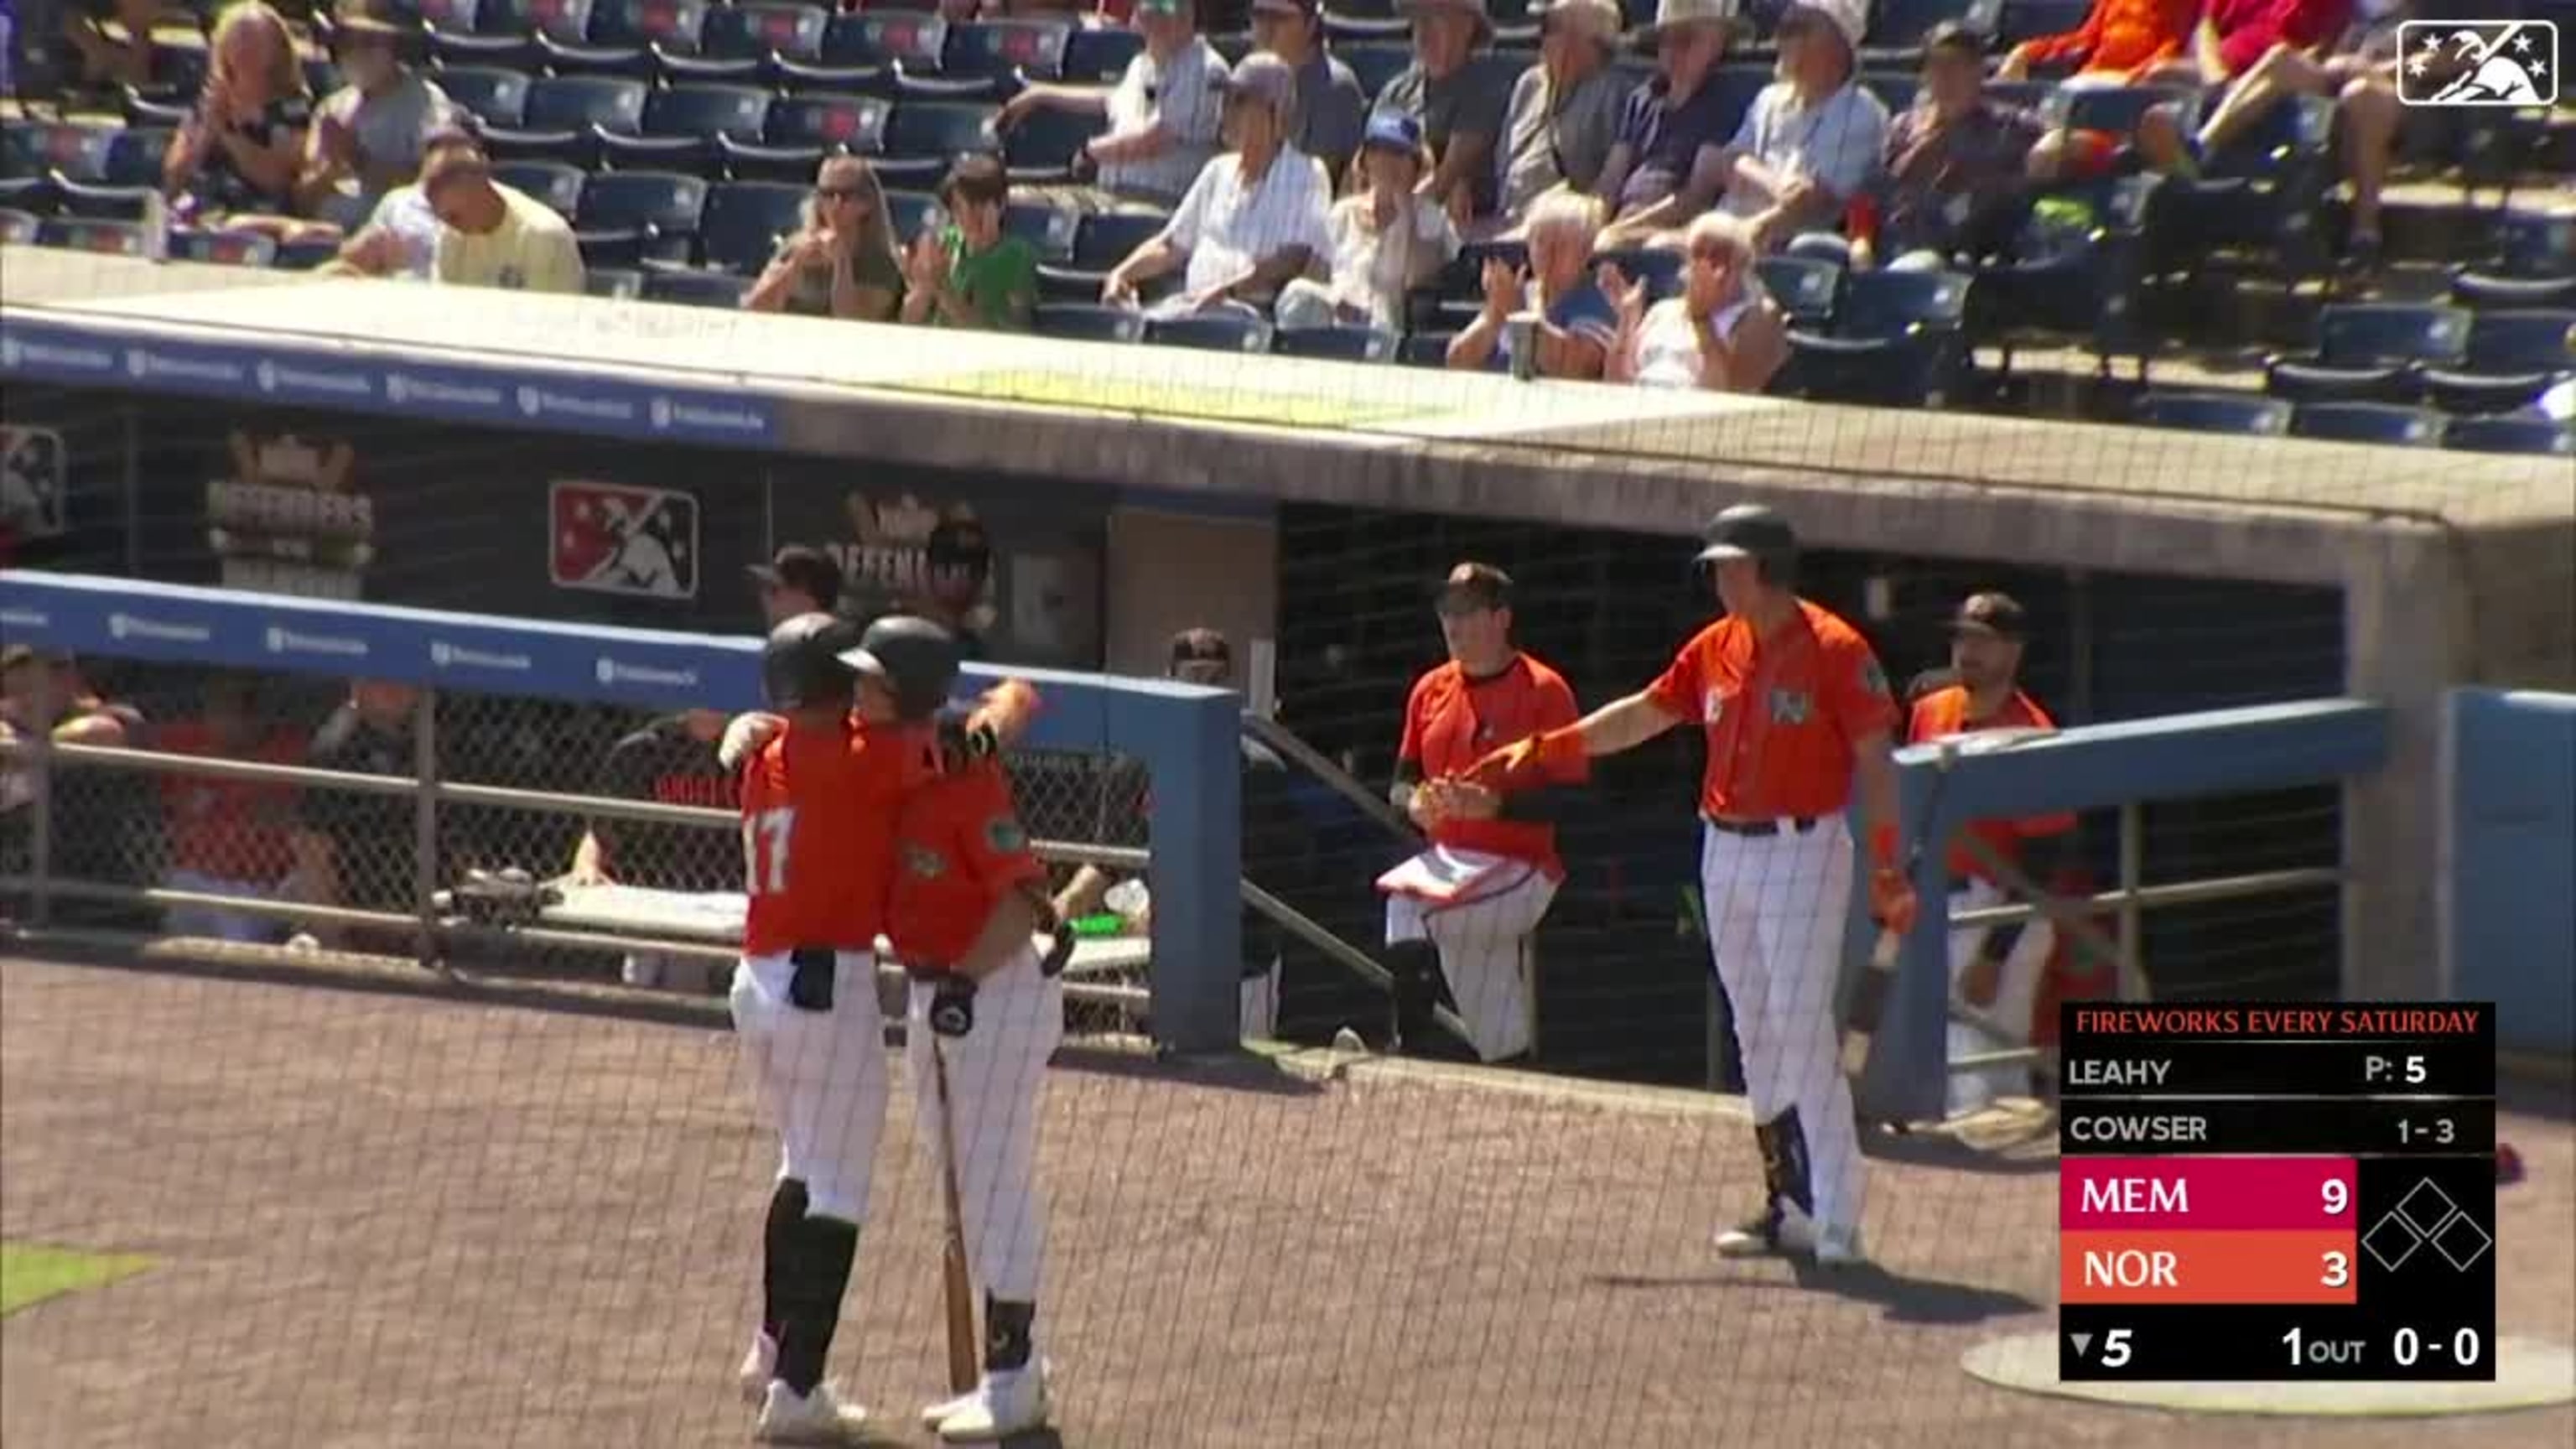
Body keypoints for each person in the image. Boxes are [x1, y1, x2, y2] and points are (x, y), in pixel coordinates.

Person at [1467, 505, 1914, 1267]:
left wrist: (1885, 865)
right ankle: (1790, 1205)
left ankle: (1841, 1216)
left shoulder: (1835, 647)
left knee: (1802, 1029)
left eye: (1729, 563)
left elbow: (1876, 758)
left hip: (1801, 850)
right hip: (1725, 848)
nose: (1717, 575)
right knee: (1754, 1029)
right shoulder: (1717, 646)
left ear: (1764, 567)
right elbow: (1646, 713)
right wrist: (1546, 746)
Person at [865, 616, 1063, 1442]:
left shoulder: (965, 778)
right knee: (960, 1179)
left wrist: (960, 982)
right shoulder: (893, 754)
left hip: (993, 985)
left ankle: (1014, 1380)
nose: (855, 693)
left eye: (869, 681)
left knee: (993, 1182)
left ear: (902, 693)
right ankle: (1006, 1374)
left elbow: (1022, 906)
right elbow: (1012, 699)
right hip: (936, 988)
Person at [725, 613, 914, 1443]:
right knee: (838, 1188)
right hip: (823, 989)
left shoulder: (763, 756)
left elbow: (787, 735)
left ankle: (771, 1354)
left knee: (802, 1166)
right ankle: (798, 1392)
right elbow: (955, 753)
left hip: (760, 982)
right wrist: (1006, 705)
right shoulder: (860, 759)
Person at [1379, 564, 1581, 1062]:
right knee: (1501, 1040)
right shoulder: (1430, 689)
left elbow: (1574, 800)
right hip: (1451, 867)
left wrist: (1496, 805)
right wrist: (1415, 804)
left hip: (1522, 869)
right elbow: (1401, 782)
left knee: (1409, 910)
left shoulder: (1545, 689)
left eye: (1466, 611)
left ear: (1501, 618)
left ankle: (1409, 1055)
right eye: (1447, 610)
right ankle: (1517, 1091)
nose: (1453, 623)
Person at [1904, 591, 2075, 1114]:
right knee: (1969, 1051)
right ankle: (1974, 1164)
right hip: (1942, 897)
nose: (1968, 650)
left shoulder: (2030, 731)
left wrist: (1995, 953)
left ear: (2013, 652)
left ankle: (1975, 1170)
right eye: (1962, 637)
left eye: (1983, 641)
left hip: (2005, 907)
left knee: (1990, 1056)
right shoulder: (1931, 711)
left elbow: (2046, 852)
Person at [1100, 52, 1332, 318]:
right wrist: (1121, 274)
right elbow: (1171, 246)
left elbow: (1292, 259)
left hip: (1251, 314)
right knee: (1124, 321)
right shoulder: (1217, 170)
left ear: (1277, 114)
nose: (1226, 110)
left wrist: (1225, 291)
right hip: (1194, 304)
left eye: (1240, 101)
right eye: (1226, 99)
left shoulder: (1306, 173)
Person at [568, 708, 740, 993]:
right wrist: (587, 864)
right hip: (653, 892)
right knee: (644, 978)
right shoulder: (646, 748)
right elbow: (602, 827)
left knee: (686, 978)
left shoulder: (755, 751)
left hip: (725, 897)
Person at [1847, 21, 2043, 273]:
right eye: (1936, 65)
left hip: (1953, 260)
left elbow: (2090, 147)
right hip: (1883, 246)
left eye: (1957, 65)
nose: (1946, 76)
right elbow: (1866, 195)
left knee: (1914, 268)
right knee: (1814, 250)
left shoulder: (2009, 126)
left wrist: (2054, 144)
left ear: (1979, 71)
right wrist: (1860, 245)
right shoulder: (1903, 126)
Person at [1000, 0, 1227, 208]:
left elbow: (1156, 139)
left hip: (1158, 203)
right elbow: (1109, 100)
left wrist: (1093, 152)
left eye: (1164, 13)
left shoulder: (1205, 68)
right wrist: (1042, 94)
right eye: (1147, 11)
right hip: (1108, 195)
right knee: (1017, 200)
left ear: (1187, 19)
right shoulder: (1142, 63)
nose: (1152, 22)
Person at [1713, 0, 1886, 255]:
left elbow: (1815, 202)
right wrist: (1775, 184)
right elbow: (1730, 160)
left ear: (1838, 47)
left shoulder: (1863, 112)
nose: (1783, 39)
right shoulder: (1768, 97)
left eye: (1799, 30)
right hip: (1729, 226)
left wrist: (1753, 226)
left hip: (1788, 243)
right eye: (1785, 29)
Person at [162, 1, 338, 242]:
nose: (246, 50)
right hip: (201, 210)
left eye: (256, 41)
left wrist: (227, 132)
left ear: (277, 49)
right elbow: (173, 179)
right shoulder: (207, 104)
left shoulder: (293, 111)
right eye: (239, 40)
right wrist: (206, 131)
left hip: (259, 212)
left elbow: (276, 180)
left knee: (236, 225)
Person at [1275, 109, 1459, 334]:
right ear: (1365, 159)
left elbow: (1417, 281)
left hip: (1386, 326)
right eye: (1377, 151)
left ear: (1416, 163)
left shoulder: (1429, 218)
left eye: (1398, 153)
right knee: (1297, 293)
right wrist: (1337, 300)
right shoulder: (1342, 213)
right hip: (1335, 318)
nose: (1386, 162)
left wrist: (1405, 212)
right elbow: (1316, 275)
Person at [155, 673, 303, 944]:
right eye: (216, 707)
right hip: (196, 880)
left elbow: (304, 820)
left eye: (237, 707)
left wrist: (278, 814)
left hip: (263, 885)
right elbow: (128, 729)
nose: (222, 719)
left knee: (240, 948)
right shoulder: (185, 740)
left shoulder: (291, 749)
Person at [1589, 0, 1737, 250]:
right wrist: (1589, 223)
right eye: (1665, 41)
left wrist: (1620, 230)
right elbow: (1611, 179)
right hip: (1622, 220)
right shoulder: (1643, 97)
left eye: (1686, 40)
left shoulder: (1723, 102)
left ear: (1717, 44)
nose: (1672, 51)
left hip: (1675, 228)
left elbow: (1695, 196)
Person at [297, 0, 456, 231]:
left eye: (370, 41)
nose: (357, 51)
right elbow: (303, 202)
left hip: (395, 239)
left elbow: (433, 191)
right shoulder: (332, 108)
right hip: (326, 236)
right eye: (348, 41)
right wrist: (328, 171)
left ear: (396, 46)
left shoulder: (429, 104)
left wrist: (359, 160)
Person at [1602, 210, 1787, 392]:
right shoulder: (1663, 311)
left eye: (1719, 256)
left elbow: (1730, 393)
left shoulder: (1759, 315)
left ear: (1743, 265)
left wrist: (1702, 320)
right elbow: (1616, 385)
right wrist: (1627, 321)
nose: (1706, 264)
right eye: (1698, 253)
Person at [1443, 190, 1616, 378]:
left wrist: (1518, 314)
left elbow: (1575, 369)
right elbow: (1456, 361)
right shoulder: (1517, 292)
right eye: (1541, 242)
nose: (1549, 253)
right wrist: (1494, 316)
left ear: (1585, 251)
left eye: (1562, 245)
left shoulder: (1601, 298)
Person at [1374, 0, 1513, 227]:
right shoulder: (1397, 91)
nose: (1423, 32)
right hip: (1396, 221)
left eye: (1434, 19)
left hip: (1464, 231)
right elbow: (1367, 162)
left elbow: (1446, 177)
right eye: (1418, 20)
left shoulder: (1486, 88)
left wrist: (1400, 215)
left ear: (1467, 27)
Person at [1495, 0, 1626, 228]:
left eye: (1551, 28)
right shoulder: (1530, 83)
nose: (1542, 38)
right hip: (1505, 218)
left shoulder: (1614, 95)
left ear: (1590, 44)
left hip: (1555, 227)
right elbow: (1503, 160)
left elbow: (1607, 186)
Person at [745, 154, 904, 321]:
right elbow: (754, 309)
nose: (836, 204)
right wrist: (795, 265)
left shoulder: (879, 264)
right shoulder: (794, 247)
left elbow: (851, 323)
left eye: (846, 195)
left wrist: (842, 263)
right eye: (828, 194)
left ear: (866, 203)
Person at [320, 121, 483, 280]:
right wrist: (367, 251)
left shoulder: (491, 205)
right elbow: (355, 254)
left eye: (454, 147)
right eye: (434, 148)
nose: (443, 156)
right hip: (402, 294)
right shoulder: (398, 202)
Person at [901, 154, 1040, 332]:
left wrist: (943, 289)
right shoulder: (944, 243)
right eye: (959, 208)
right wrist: (925, 286)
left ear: (1001, 205)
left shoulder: (1017, 256)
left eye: (978, 206)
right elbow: (908, 320)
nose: (968, 217)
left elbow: (1003, 334)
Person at [422, 147, 584, 293]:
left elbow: (543, 317)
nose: (450, 225)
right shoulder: (450, 235)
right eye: (441, 217)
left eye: (454, 216)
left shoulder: (542, 235)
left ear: (479, 188)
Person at [1250, 0, 1367, 185]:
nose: (1266, 29)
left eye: (1279, 18)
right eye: (1260, 15)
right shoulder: (1251, 79)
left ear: (1311, 25)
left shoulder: (1335, 88)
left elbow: (1322, 179)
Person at [1996, 0, 2199, 84]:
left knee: (2050, 152)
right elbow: (2084, 40)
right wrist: (2027, 51)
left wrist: (2128, 79)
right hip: (2089, 83)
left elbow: (2172, 50)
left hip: (2130, 100)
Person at [751, 544, 847, 627]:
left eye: (773, 590)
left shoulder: (830, 644)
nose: (764, 596)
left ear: (809, 601)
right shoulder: (785, 640)